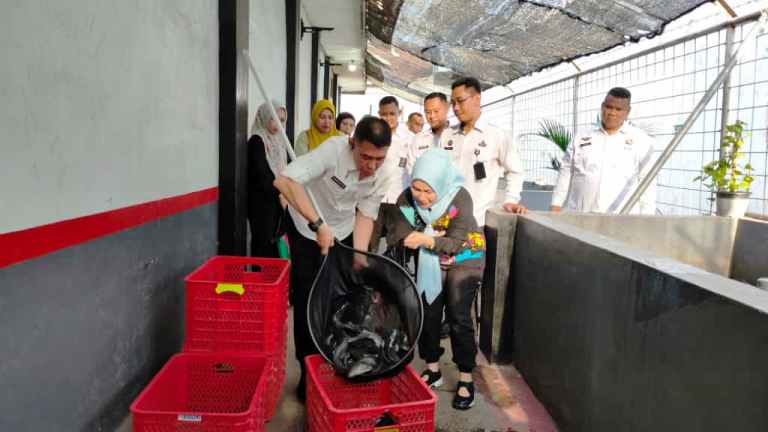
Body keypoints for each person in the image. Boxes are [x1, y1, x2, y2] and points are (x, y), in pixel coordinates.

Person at [273, 116, 393, 401]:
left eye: (379, 158)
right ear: (352, 143)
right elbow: (284, 181)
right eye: (365, 157)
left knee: (345, 298)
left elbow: (366, 213)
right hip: (307, 230)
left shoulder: (384, 171)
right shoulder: (332, 151)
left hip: (344, 229)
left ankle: (340, 360)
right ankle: (308, 370)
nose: (371, 165)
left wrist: (359, 256)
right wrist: (317, 224)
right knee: (309, 300)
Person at [384, 148, 485, 410]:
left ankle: (466, 377)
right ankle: (433, 369)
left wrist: (425, 239)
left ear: (441, 183)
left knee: (458, 314)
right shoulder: (407, 200)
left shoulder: (459, 197)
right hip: (431, 258)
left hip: (465, 255)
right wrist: (410, 237)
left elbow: (455, 241)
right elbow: (401, 231)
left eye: (429, 191)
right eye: (417, 188)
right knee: (427, 312)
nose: (422, 197)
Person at [551, 87, 656, 214]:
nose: (612, 113)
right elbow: (566, 172)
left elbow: (647, 182)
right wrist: (556, 205)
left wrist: (647, 216)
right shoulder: (581, 136)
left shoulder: (642, 141)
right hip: (579, 215)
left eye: (618, 109)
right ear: (602, 107)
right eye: (609, 107)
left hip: (620, 218)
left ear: (627, 112)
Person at [441, 77, 527, 227]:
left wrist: (510, 200)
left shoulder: (497, 136)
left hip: (477, 223)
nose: (455, 108)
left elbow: (516, 171)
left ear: (477, 99)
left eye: (460, 101)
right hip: (446, 221)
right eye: (453, 103)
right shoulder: (447, 135)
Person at [369, 96, 415, 251]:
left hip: (402, 200)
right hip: (374, 198)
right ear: (378, 114)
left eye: (392, 114)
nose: (388, 118)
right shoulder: (372, 137)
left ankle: (395, 265)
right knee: (369, 244)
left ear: (399, 113)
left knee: (399, 245)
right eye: (384, 114)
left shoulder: (410, 139)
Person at [247, 100, 289, 258]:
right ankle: (261, 274)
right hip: (262, 204)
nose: (278, 124)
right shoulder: (257, 140)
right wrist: (282, 192)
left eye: (282, 119)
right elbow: (263, 175)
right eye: (273, 118)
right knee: (263, 245)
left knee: (276, 245)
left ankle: (275, 274)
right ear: (264, 117)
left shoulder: (279, 141)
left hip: (278, 200)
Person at [406, 92, 451, 174]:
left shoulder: (460, 136)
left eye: (436, 111)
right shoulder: (418, 140)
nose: (432, 116)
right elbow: (411, 171)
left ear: (447, 109)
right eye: (427, 112)